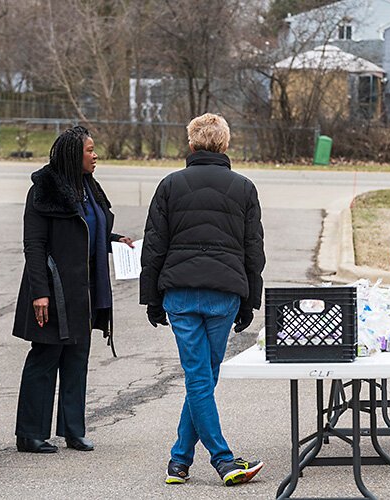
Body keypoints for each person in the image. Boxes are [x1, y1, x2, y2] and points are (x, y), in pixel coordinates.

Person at [139, 113, 266, 486]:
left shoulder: (169, 185)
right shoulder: (243, 187)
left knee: (201, 379)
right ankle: (224, 460)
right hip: (223, 294)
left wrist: (152, 297)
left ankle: (179, 461)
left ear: (191, 145)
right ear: (225, 145)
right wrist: (249, 300)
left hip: (179, 293)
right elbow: (253, 251)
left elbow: (154, 245)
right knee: (202, 379)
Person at [13, 126, 134, 453]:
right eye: (90, 151)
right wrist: (40, 292)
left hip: (85, 289)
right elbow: (34, 245)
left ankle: (72, 430)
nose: (96, 156)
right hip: (53, 290)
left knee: (77, 356)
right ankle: (30, 433)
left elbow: (91, 232)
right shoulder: (44, 189)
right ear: (73, 154)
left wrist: (115, 242)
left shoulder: (89, 188)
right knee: (46, 356)